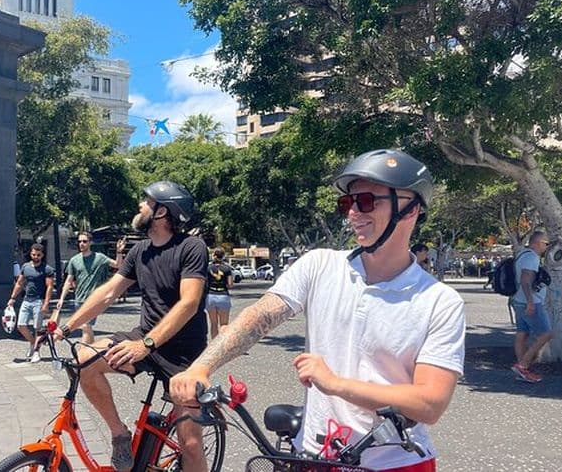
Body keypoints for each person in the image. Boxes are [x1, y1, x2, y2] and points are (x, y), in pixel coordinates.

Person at [171, 149, 465, 472]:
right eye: (347, 203)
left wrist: (335, 383)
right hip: (313, 457)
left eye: (365, 201)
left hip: (396, 463)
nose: (353, 213)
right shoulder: (320, 265)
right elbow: (260, 315)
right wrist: (201, 367)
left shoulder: (440, 301)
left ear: (410, 208)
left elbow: (429, 403)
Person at [53, 181, 209, 472]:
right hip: (145, 340)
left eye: (147, 201)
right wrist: (65, 327)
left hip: (184, 356)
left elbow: (189, 303)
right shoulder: (140, 251)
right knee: (83, 360)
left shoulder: (192, 247)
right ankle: (119, 434)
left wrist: (145, 345)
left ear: (162, 211)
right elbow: (109, 292)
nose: (140, 205)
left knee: (190, 447)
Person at [54, 231, 126, 344]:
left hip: (94, 300)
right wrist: (62, 298)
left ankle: (83, 355)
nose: (81, 244)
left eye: (84, 241)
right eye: (79, 241)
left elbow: (118, 265)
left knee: (85, 325)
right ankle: (91, 353)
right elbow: (69, 281)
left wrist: (119, 251)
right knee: (86, 328)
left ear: (90, 242)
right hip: (78, 300)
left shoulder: (100, 258)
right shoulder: (74, 260)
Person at [510, 231, 553, 383]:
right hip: (530, 301)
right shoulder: (532, 257)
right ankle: (523, 365)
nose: (546, 247)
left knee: (522, 333)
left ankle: (522, 370)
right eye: (546, 244)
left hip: (518, 300)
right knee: (546, 334)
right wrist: (530, 301)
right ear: (537, 242)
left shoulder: (523, 254)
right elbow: (525, 279)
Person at [7, 243, 54, 363]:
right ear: (31, 254)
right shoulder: (25, 267)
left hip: (39, 300)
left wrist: (46, 303)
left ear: (42, 255)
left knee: (37, 328)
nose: (35, 257)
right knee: (20, 325)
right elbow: (19, 283)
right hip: (26, 299)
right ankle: (33, 343)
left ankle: (37, 352)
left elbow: (49, 287)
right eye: (33, 254)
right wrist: (12, 298)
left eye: (38, 255)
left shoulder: (47, 269)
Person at [206, 247, 234, 339]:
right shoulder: (227, 268)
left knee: (213, 323)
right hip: (223, 296)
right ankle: (222, 345)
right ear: (223, 256)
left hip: (211, 296)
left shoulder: (208, 268)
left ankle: (214, 345)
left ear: (214, 255)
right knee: (224, 324)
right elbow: (230, 285)